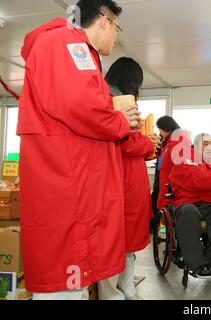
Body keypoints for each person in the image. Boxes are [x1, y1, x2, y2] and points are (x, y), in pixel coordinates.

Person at [18, 0, 140, 300]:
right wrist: (119, 120)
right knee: (63, 289)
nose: (115, 37)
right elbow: (79, 106)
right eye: (117, 28)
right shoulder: (68, 44)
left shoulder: (70, 48)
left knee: (70, 285)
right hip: (67, 187)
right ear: (104, 20)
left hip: (69, 184)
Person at [103, 57, 160, 300]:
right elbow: (123, 142)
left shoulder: (120, 101)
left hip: (131, 178)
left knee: (126, 243)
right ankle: (112, 293)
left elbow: (130, 139)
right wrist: (147, 143)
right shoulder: (112, 102)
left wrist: (148, 144)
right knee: (114, 242)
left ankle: (126, 289)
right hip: (120, 178)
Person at [170, 133, 211, 279]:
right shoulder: (184, 159)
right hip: (187, 202)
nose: (209, 146)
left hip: (208, 202)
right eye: (205, 143)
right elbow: (198, 179)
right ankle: (197, 264)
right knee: (189, 212)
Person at [155, 116, 190, 210]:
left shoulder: (178, 140)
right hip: (166, 179)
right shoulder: (168, 140)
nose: (160, 133)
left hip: (171, 182)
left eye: (160, 129)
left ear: (166, 128)